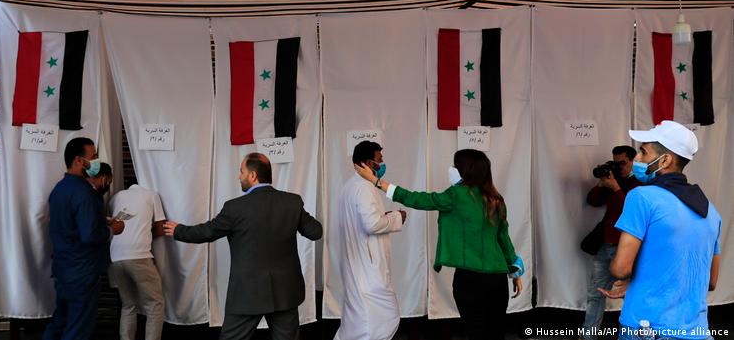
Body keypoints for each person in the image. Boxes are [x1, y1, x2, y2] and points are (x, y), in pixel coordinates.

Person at [354, 149, 523, 340]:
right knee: (496, 333)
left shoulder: (456, 195)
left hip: (470, 281)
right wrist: (515, 272)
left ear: (464, 171)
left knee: (477, 333)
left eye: (454, 165)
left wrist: (377, 182)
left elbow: (416, 198)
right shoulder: (496, 199)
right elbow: (503, 238)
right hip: (498, 280)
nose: (451, 169)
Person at [163, 153, 322, 340]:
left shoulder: (234, 208)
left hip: (248, 293)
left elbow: (207, 232)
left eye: (241, 171)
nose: (239, 176)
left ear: (253, 176)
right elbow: (315, 232)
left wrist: (178, 231)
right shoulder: (292, 202)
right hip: (285, 292)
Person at [600, 121, 721, 340]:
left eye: (643, 152)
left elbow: (621, 269)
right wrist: (644, 280)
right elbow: (710, 282)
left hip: (647, 329)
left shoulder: (641, 197)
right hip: (698, 331)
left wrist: (625, 274)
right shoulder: (711, 211)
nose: (637, 158)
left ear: (665, 160)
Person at [43, 137, 124, 340]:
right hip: (83, 271)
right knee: (78, 327)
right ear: (79, 160)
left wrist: (100, 220)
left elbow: (68, 223)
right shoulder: (84, 192)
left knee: (60, 321)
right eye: (94, 157)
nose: (96, 162)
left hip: (62, 268)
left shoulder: (58, 190)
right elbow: (89, 236)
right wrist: (112, 229)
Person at [334, 141, 405, 340]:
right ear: (367, 163)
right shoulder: (365, 187)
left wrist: (385, 215)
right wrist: (396, 217)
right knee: (381, 319)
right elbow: (372, 224)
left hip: (358, 264)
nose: (382, 164)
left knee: (358, 318)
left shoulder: (349, 186)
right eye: (379, 160)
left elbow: (364, 220)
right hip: (367, 267)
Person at [581, 145, 639, 340]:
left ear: (633, 161)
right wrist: (601, 183)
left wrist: (615, 188)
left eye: (622, 163)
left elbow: (629, 211)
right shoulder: (615, 181)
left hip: (626, 248)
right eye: (616, 163)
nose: (619, 167)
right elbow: (593, 200)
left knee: (631, 294)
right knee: (595, 293)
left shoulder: (639, 184)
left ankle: (632, 334)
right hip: (605, 245)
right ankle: (589, 335)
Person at [108, 183, 167, 340]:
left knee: (128, 305)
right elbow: (161, 228)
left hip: (115, 257)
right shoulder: (151, 194)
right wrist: (143, 236)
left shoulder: (115, 197)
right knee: (155, 304)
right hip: (139, 256)